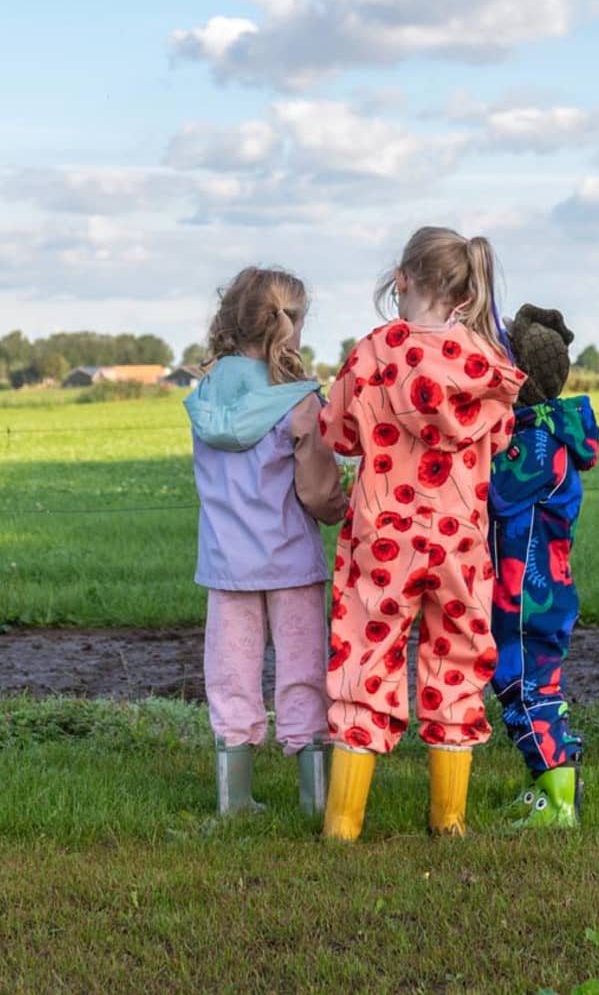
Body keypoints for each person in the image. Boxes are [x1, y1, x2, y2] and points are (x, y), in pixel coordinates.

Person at [318, 227, 524, 841]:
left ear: (401, 280)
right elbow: (500, 439)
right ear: (464, 296)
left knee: (365, 659)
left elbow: (339, 434)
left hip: (381, 540)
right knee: (456, 661)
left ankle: (343, 824)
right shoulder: (488, 366)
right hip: (458, 540)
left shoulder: (372, 353)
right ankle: (449, 820)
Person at [185, 267, 346, 817]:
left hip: (227, 566)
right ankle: (316, 800)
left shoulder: (204, 394)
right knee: (302, 675)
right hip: (291, 564)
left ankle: (234, 804)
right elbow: (318, 491)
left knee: (230, 678)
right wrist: (343, 510)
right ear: (288, 325)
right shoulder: (299, 400)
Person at [487, 304, 599, 827]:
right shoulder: (551, 432)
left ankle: (558, 797)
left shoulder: (532, 442)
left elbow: (498, 496)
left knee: (523, 684)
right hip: (540, 591)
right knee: (529, 684)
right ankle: (544, 787)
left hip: (528, 595)